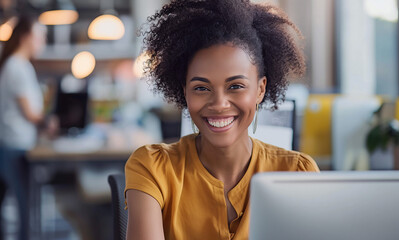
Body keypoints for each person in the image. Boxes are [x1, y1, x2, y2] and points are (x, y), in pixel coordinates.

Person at [125, 1, 320, 239]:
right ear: (184, 91)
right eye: (201, 88)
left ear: (260, 89)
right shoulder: (153, 168)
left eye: (236, 86)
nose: (219, 104)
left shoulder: (297, 173)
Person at [0, 15, 46, 240]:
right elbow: (30, 113)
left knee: (25, 205)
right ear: (27, 37)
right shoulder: (17, 67)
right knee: (25, 207)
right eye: (40, 37)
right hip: (15, 145)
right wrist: (50, 123)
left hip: (15, 143)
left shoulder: (16, 65)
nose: (42, 43)